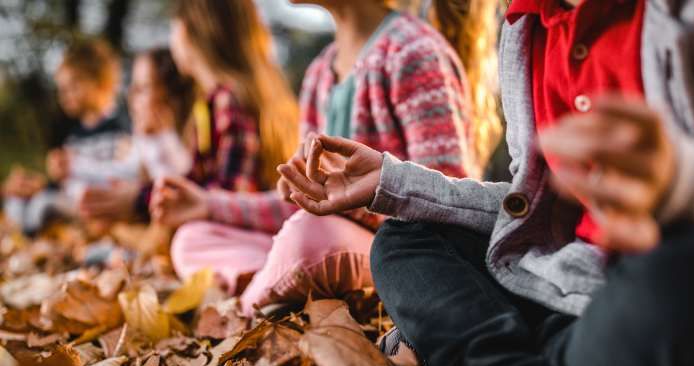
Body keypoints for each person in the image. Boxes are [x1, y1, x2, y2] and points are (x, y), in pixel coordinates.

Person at [278, 0, 694, 366]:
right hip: (554, 287)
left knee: (687, 279)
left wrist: (679, 182)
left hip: (650, 293)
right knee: (404, 240)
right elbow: (530, 208)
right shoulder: (526, 29)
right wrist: (391, 183)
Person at [152, 0, 498, 316]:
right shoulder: (319, 73)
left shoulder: (414, 51)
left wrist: (350, 199)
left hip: (398, 255)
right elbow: (297, 205)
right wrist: (208, 205)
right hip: (320, 241)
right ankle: (278, 282)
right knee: (193, 237)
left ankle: (245, 306)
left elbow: (450, 205)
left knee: (308, 236)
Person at [3, 38, 132, 235]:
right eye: (61, 89)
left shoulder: (123, 126)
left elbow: (124, 175)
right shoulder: (73, 136)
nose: (64, 95)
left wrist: (74, 168)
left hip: (97, 204)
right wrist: (47, 181)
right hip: (70, 201)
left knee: (42, 206)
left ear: (101, 82)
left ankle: (33, 233)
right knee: (16, 201)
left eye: (73, 86)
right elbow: (67, 185)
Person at [77, 48, 195, 221]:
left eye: (142, 88)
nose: (131, 96)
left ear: (170, 98)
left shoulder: (184, 147)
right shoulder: (142, 141)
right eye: (132, 87)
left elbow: (182, 178)